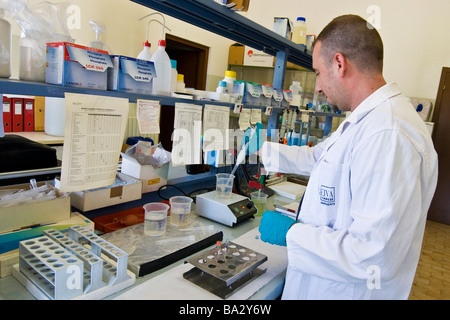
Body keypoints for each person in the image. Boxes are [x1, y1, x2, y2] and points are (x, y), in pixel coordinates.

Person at [257, 14, 438, 300]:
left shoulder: (388, 135)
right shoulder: (366, 122)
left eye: (317, 72)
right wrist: (261, 149)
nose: (317, 86)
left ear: (339, 64)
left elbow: (374, 256)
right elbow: (321, 158)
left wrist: (291, 234)